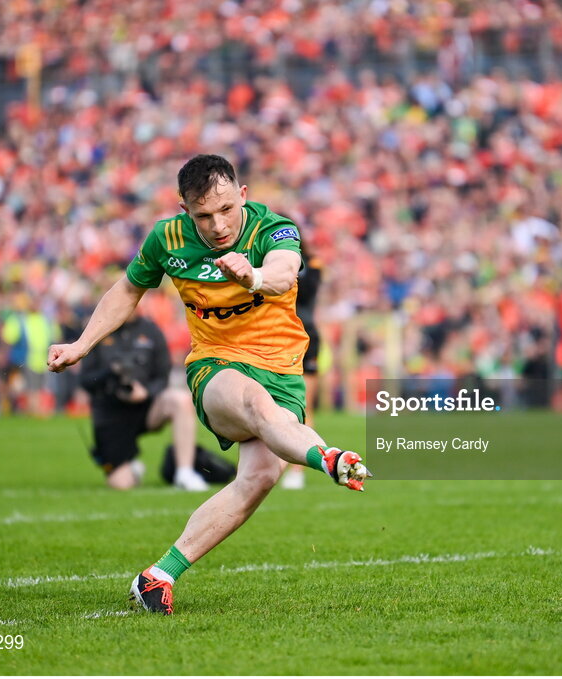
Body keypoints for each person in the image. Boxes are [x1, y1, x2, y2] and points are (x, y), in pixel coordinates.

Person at [47, 154, 370, 615]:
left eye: (225, 210)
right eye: (202, 215)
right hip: (215, 367)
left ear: (242, 196)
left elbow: (282, 271)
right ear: (185, 211)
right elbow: (127, 290)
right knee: (257, 406)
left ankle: (157, 576)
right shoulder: (167, 239)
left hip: (283, 372)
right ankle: (329, 458)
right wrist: (82, 343)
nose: (218, 225)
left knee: (257, 478)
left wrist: (252, 276)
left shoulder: (273, 228)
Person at [78, 311, 211, 492]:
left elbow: (163, 376)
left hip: (146, 407)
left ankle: (184, 472)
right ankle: (131, 468)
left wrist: (146, 392)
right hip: (110, 413)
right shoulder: (97, 331)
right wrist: (110, 372)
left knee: (180, 399)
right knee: (121, 484)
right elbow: (85, 380)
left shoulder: (151, 330)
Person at [280, 240, 323, 490]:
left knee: (303, 404)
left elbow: (305, 291)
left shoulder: (312, 264)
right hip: (278, 334)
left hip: (305, 333)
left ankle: (297, 469)